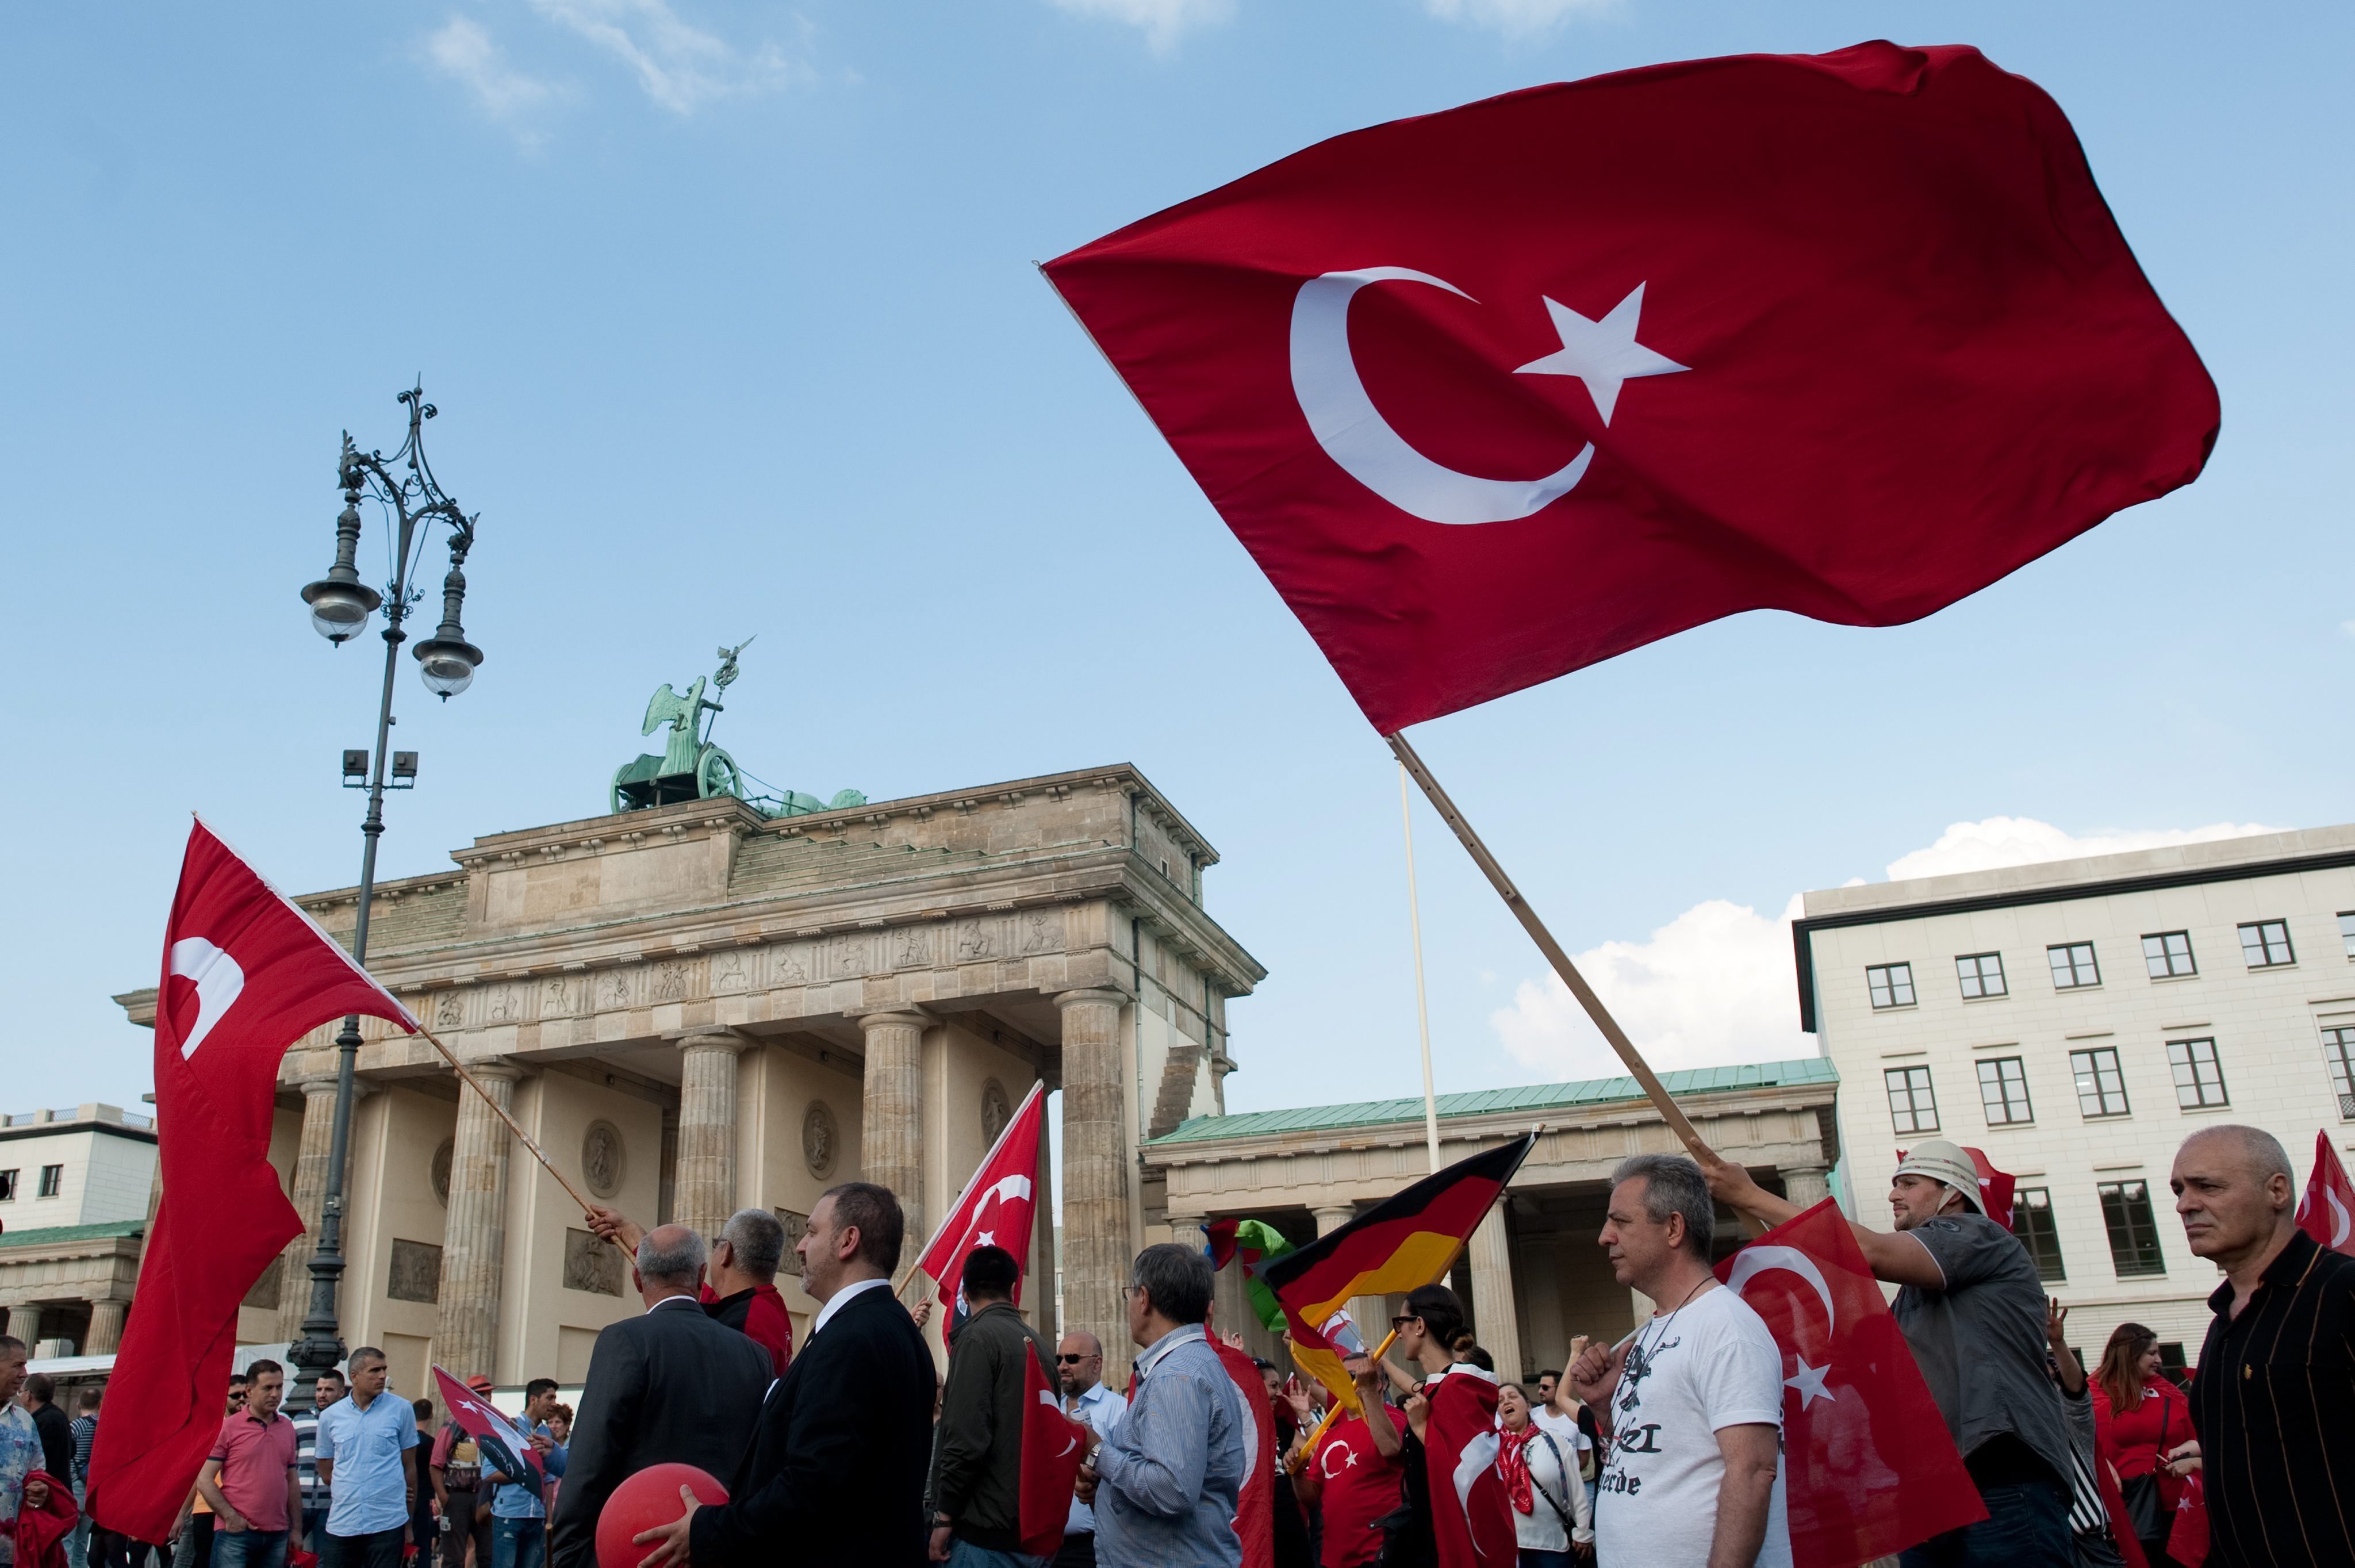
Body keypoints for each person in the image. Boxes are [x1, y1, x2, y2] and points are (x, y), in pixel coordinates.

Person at [1705, 1137, 2070, 1567]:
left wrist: (1749, 1195)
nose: (1894, 1194)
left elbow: (1869, 1251)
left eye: (1909, 1184)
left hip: (2002, 1477)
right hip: (1935, 1491)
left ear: (1952, 1194)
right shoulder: (1912, 1297)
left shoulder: (1981, 1234)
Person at [626, 1183, 937, 1568]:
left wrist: (707, 1529)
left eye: (812, 1231)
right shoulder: (898, 1330)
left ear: (848, 1241)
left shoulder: (850, 1338)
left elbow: (812, 1487)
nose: (801, 1246)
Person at [1572, 1153, 1787, 1568]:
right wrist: (1604, 1408)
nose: (1604, 1237)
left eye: (1621, 1221)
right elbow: (1661, 1452)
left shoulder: (1725, 1326)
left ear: (1673, 1228)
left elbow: (1753, 1471)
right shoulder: (1658, 1327)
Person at [2170, 1123, 2355, 1567]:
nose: (2184, 1204)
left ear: (2277, 1191)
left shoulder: (2342, 1290)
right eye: (2179, 1189)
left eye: (2207, 1186)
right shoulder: (2223, 1322)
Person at [546, 1226, 771, 1568]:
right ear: (701, 1276)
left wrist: (567, 1554)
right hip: (726, 1547)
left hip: (642, 1548)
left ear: (637, 1279)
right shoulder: (755, 1355)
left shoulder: (624, 1341)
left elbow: (590, 1459)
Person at [1076, 1244, 1246, 1568]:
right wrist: (1107, 1482)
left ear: (1144, 1298)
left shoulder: (1176, 1376)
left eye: (1130, 1294)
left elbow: (1172, 1490)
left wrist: (1096, 1452)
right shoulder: (1188, 1366)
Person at [926, 1245, 1054, 1568]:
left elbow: (965, 1440)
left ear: (964, 1293)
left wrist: (943, 1517)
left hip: (984, 1538)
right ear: (1012, 1288)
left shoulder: (975, 1340)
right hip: (1033, 1531)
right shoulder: (1041, 1346)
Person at [584, 1207, 795, 1375]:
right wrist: (627, 1230)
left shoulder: (749, 1322)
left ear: (726, 1252)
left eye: (716, 1244)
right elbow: (676, 1283)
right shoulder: (762, 1305)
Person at [1286, 1359, 1404, 1568]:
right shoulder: (1331, 1435)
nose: (1350, 1382)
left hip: (1380, 1555)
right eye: (1345, 1377)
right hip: (1334, 1560)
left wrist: (1368, 1392)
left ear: (1377, 1383)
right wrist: (1298, 1475)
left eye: (1358, 1376)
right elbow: (1310, 1497)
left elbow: (1390, 1448)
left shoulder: (1394, 1418)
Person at [2091, 1322, 2189, 1567]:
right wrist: (2100, 1462)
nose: (2159, 1360)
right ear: (2130, 1355)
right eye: (2152, 1353)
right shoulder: (2094, 1392)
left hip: (2178, 1506)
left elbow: (2197, 1433)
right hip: (2127, 1509)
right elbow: (2076, 1439)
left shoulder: (2166, 1390)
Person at [312, 1348, 420, 1568]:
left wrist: (408, 1524)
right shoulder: (330, 1416)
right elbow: (326, 1471)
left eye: (384, 1369)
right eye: (375, 1370)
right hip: (343, 1523)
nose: (382, 1376)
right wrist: (353, 1486)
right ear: (355, 1376)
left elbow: (410, 1468)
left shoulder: (402, 1409)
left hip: (387, 1522)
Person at [195, 1358, 302, 1568]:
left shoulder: (287, 1428)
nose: (275, 1394)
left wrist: (297, 1529)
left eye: (279, 1387)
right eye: (268, 1388)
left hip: (277, 1534)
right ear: (249, 1391)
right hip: (236, 1534)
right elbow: (204, 1479)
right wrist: (230, 1517)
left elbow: (292, 1481)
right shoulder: (229, 1427)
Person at [1494, 1382, 1591, 1566]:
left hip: (1552, 1547)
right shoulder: (1493, 1449)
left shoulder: (1554, 1442)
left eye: (1513, 1397)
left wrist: (1583, 1532)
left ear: (1528, 1406)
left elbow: (1576, 1489)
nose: (1506, 1402)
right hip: (1511, 1547)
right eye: (1500, 1401)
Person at [1054, 1333, 1125, 1568]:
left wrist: (1099, 1482)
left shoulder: (1119, 1410)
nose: (1063, 1366)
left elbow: (1132, 1475)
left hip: (1095, 1546)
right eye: (1059, 1359)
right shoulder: (1051, 1409)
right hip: (1048, 1548)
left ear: (1097, 1364)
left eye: (1072, 1358)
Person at [481, 1379, 566, 1568]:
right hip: (509, 1515)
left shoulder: (547, 1434)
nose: (554, 1403)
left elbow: (549, 1479)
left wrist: (549, 1520)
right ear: (533, 1400)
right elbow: (488, 1473)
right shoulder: (509, 1428)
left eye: (555, 1398)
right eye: (550, 1398)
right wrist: (526, 1470)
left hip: (537, 1518)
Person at [2, 1336, 56, 1568]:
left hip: (10, 1554)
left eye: (25, 1366)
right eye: (18, 1365)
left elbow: (37, 1472)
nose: (24, 1374)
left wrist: (39, 1490)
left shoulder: (24, 1421)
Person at [430, 1375, 495, 1568]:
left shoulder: (491, 1425)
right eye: (482, 1394)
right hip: (458, 1497)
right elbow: (436, 1464)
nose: (488, 1398)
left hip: (484, 1497)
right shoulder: (454, 1424)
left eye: (489, 1394)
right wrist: (444, 1497)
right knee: (454, 1556)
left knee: (488, 1554)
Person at [294, 1371, 347, 1556]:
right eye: (319, 1389)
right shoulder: (300, 1419)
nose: (322, 1394)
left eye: (329, 1390)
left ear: (341, 1393)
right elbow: (291, 1460)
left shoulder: (347, 1421)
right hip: (300, 1501)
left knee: (325, 1558)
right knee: (288, 1554)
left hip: (330, 1503)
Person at [68, 1390, 100, 1568]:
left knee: (67, 1541)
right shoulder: (105, 1426)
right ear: (100, 1404)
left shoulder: (76, 1426)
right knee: (82, 1544)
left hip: (74, 1486)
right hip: (93, 1490)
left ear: (78, 1405)